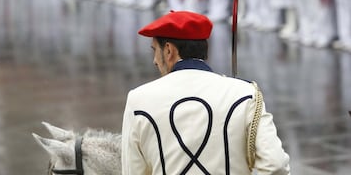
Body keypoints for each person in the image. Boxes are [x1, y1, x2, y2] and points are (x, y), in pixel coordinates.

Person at [121, 10, 291, 174]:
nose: (154, 61)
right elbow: (275, 165)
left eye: (154, 51)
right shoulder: (245, 94)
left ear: (168, 50)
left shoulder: (138, 100)